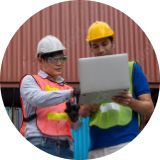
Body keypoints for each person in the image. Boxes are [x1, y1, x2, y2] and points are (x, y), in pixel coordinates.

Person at [79, 21, 155, 160]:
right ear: (91, 49)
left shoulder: (132, 68)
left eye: (105, 44)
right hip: (96, 145)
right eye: (95, 46)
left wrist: (131, 102)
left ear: (113, 43)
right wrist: (90, 108)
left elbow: (149, 108)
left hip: (125, 143)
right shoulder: (89, 73)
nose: (101, 50)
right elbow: (83, 112)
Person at [19, 35, 82, 160]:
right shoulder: (30, 81)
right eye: (53, 60)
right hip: (39, 141)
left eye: (62, 59)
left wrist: (75, 118)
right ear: (40, 60)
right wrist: (71, 94)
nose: (59, 63)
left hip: (65, 145)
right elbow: (38, 99)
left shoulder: (68, 89)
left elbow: (77, 126)